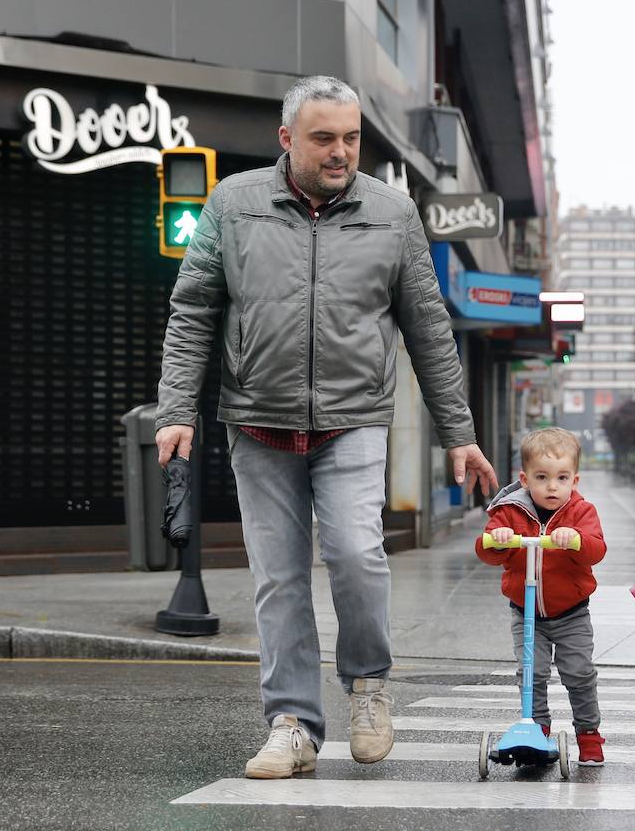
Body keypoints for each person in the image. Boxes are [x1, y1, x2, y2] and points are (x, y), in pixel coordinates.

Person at [154, 74, 498, 779]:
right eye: (324, 139)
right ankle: (291, 725)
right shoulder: (235, 204)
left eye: (350, 138)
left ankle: (368, 686)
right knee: (279, 580)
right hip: (257, 419)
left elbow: (428, 328)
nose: (341, 152)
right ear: (287, 139)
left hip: (353, 418)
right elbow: (193, 311)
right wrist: (176, 410)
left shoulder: (393, 212)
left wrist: (457, 431)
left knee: (356, 555)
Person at [475, 428, 608, 765]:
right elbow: (486, 549)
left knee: (578, 673)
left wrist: (575, 538)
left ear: (574, 480)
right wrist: (500, 537)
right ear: (524, 479)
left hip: (571, 613)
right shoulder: (510, 512)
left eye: (562, 478)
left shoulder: (581, 512)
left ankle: (589, 735)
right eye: (542, 477)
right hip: (525, 611)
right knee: (530, 673)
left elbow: (596, 550)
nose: (552, 486)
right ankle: (536, 730)